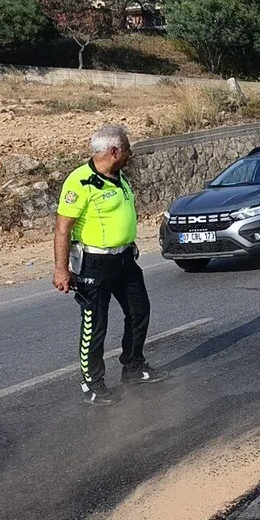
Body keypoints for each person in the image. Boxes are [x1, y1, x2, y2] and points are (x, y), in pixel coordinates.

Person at [53, 125, 166, 406]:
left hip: (125, 259)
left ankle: (133, 366)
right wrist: (61, 269)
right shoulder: (80, 182)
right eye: (127, 148)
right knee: (95, 324)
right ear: (114, 151)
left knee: (139, 311)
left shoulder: (120, 177)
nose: (130, 153)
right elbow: (62, 229)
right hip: (94, 264)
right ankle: (92, 383)